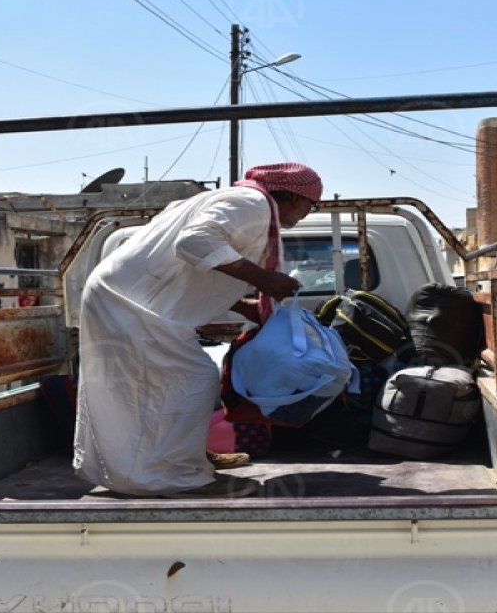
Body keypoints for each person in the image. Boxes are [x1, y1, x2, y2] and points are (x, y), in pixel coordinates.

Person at [73, 162, 323, 498]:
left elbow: (196, 270)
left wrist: (241, 305)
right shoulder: (251, 204)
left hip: (129, 299)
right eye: (312, 204)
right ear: (293, 196)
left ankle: (186, 457)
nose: (310, 212)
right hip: (126, 303)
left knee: (171, 384)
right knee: (190, 380)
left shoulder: (242, 202)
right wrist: (264, 280)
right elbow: (194, 242)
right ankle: (175, 476)